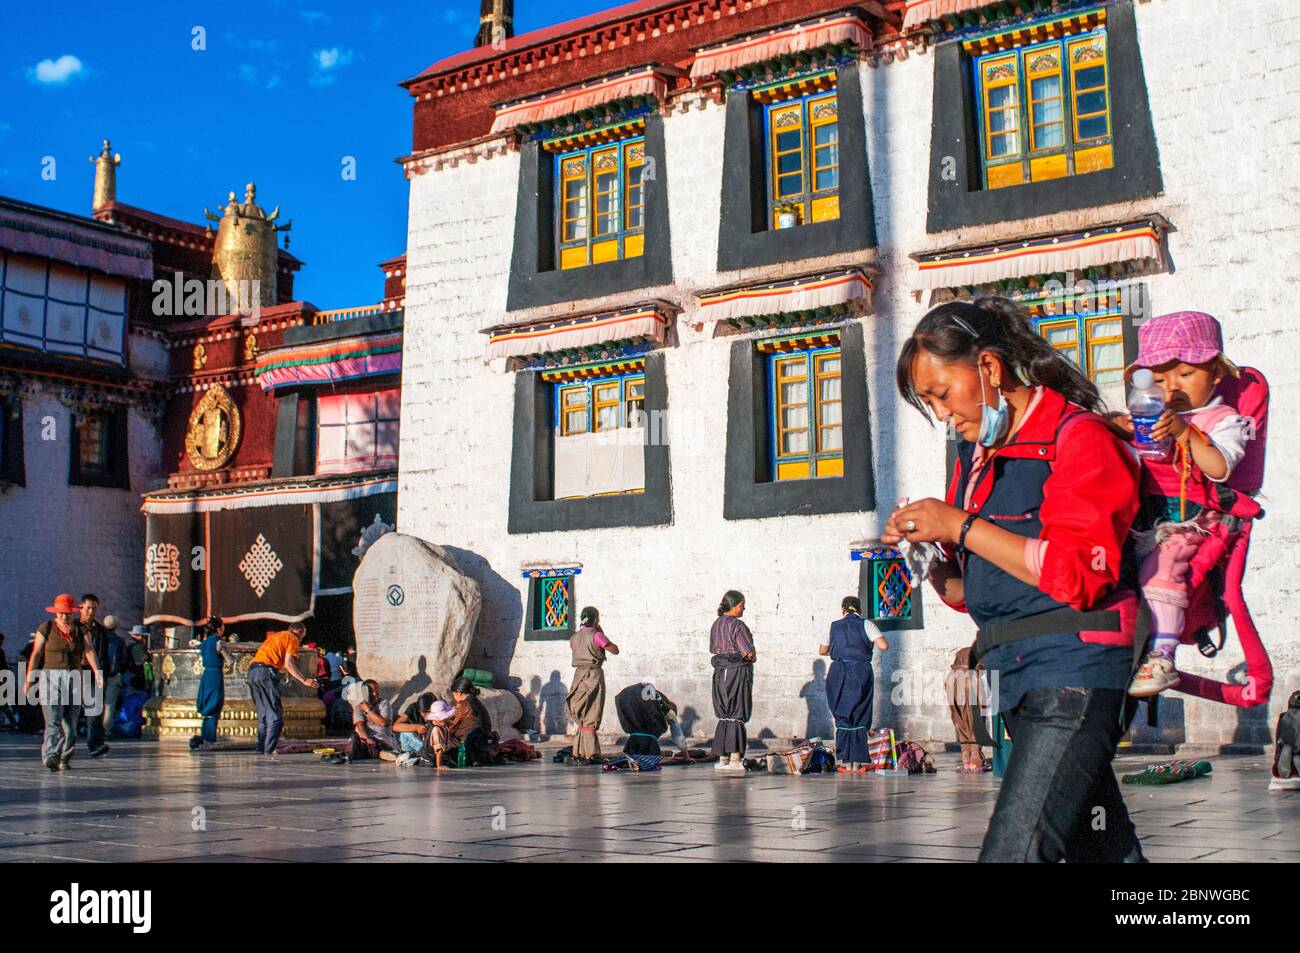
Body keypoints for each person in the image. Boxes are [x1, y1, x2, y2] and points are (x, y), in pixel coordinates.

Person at [884, 296, 1144, 863]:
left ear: (990, 369)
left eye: (942, 394)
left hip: (1073, 673)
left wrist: (959, 523)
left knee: (1016, 851)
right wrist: (929, 553)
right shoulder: (975, 465)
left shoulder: (1080, 438)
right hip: (1016, 678)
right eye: (929, 404)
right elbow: (969, 595)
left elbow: (1078, 575)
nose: (944, 415)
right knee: (1105, 852)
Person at [1107, 312, 1254, 697]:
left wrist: (1185, 431)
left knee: (1162, 571)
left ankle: (1163, 655)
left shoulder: (1224, 420)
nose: (1171, 387)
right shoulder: (1148, 414)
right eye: (1158, 379)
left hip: (1188, 522)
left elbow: (1219, 467)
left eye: (1185, 374)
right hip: (1141, 517)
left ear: (1217, 371)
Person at [25, 593, 102, 771]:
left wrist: (97, 672)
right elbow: (36, 653)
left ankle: (65, 757)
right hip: (50, 677)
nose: (64, 616)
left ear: (74, 613)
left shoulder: (81, 629)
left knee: (70, 726)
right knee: (53, 720)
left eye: (68, 613)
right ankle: (50, 755)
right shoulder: (46, 628)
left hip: (74, 677)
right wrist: (29, 677)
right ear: (55, 613)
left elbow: (89, 650)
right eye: (61, 613)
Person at [819, 596, 889, 773]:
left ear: (843, 609)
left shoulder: (833, 626)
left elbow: (822, 650)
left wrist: (839, 650)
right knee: (860, 712)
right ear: (859, 609)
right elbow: (883, 645)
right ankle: (857, 761)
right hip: (860, 671)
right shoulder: (867, 624)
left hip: (838, 671)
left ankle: (844, 760)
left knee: (842, 714)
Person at [246, 622, 315, 756]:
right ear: (299, 632)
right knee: (275, 715)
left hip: (253, 672)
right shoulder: (292, 638)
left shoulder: (277, 636)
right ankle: (269, 749)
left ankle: (261, 748)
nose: (301, 639)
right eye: (303, 636)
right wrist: (304, 680)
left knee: (263, 714)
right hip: (265, 672)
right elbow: (288, 663)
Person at [565, 606, 619, 762]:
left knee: (581, 712)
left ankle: (579, 751)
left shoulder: (574, 637)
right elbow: (615, 650)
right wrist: (601, 632)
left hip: (578, 676)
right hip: (593, 674)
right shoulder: (597, 635)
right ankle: (592, 753)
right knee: (592, 712)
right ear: (596, 620)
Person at [710, 590, 755, 773]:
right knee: (737, 710)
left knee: (725, 712)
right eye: (741, 605)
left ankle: (723, 758)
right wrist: (752, 656)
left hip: (720, 672)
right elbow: (748, 653)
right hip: (737, 671)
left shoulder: (716, 624)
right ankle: (735, 757)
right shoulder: (737, 625)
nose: (743, 608)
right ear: (733, 605)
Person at [428, 676, 492, 770]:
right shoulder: (477, 702)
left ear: (459, 692)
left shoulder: (463, 704)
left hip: (466, 745)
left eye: (454, 695)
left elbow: (453, 726)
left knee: (437, 737)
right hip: (482, 743)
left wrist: (439, 725)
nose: (454, 698)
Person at [78, 594, 113, 758]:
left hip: (92, 674)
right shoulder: (73, 627)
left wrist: (102, 673)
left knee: (94, 711)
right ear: (81, 607)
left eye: (94, 608)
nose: (91, 612)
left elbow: (102, 653)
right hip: (74, 673)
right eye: (88, 608)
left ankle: (95, 744)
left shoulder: (99, 630)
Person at [189, 617, 231, 750]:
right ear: (219, 629)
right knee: (214, 705)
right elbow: (229, 659)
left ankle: (206, 735)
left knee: (207, 704)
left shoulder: (205, 643)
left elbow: (194, 644)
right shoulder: (219, 643)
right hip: (215, 675)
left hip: (206, 675)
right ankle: (209, 737)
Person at [614, 682, 687, 757]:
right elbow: (677, 734)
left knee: (634, 757)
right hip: (633, 696)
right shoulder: (670, 711)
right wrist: (686, 756)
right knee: (649, 758)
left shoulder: (658, 701)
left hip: (623, 697)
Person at [389, 692, 453, 765]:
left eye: (428, 712)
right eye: (423, 712)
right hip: (415, 745)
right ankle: (427, 756)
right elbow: (395, 727)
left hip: (429, 746)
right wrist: (416, 727)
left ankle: (420, 757)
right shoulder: (413, 708)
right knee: (405, 733)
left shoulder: (438, 711)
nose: (426, 715)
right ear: (419, 710)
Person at [349, 679, 399, 760]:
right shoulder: (359, 707)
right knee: (354, 737)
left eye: (377, 691)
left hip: (382, 738)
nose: (375, 694)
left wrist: (368, 710)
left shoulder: (384, 704)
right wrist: (367, 738)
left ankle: (381, 753)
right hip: (367, 739)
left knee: (379, 746)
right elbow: (360, 726)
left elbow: (384, 723)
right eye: (372, 691)